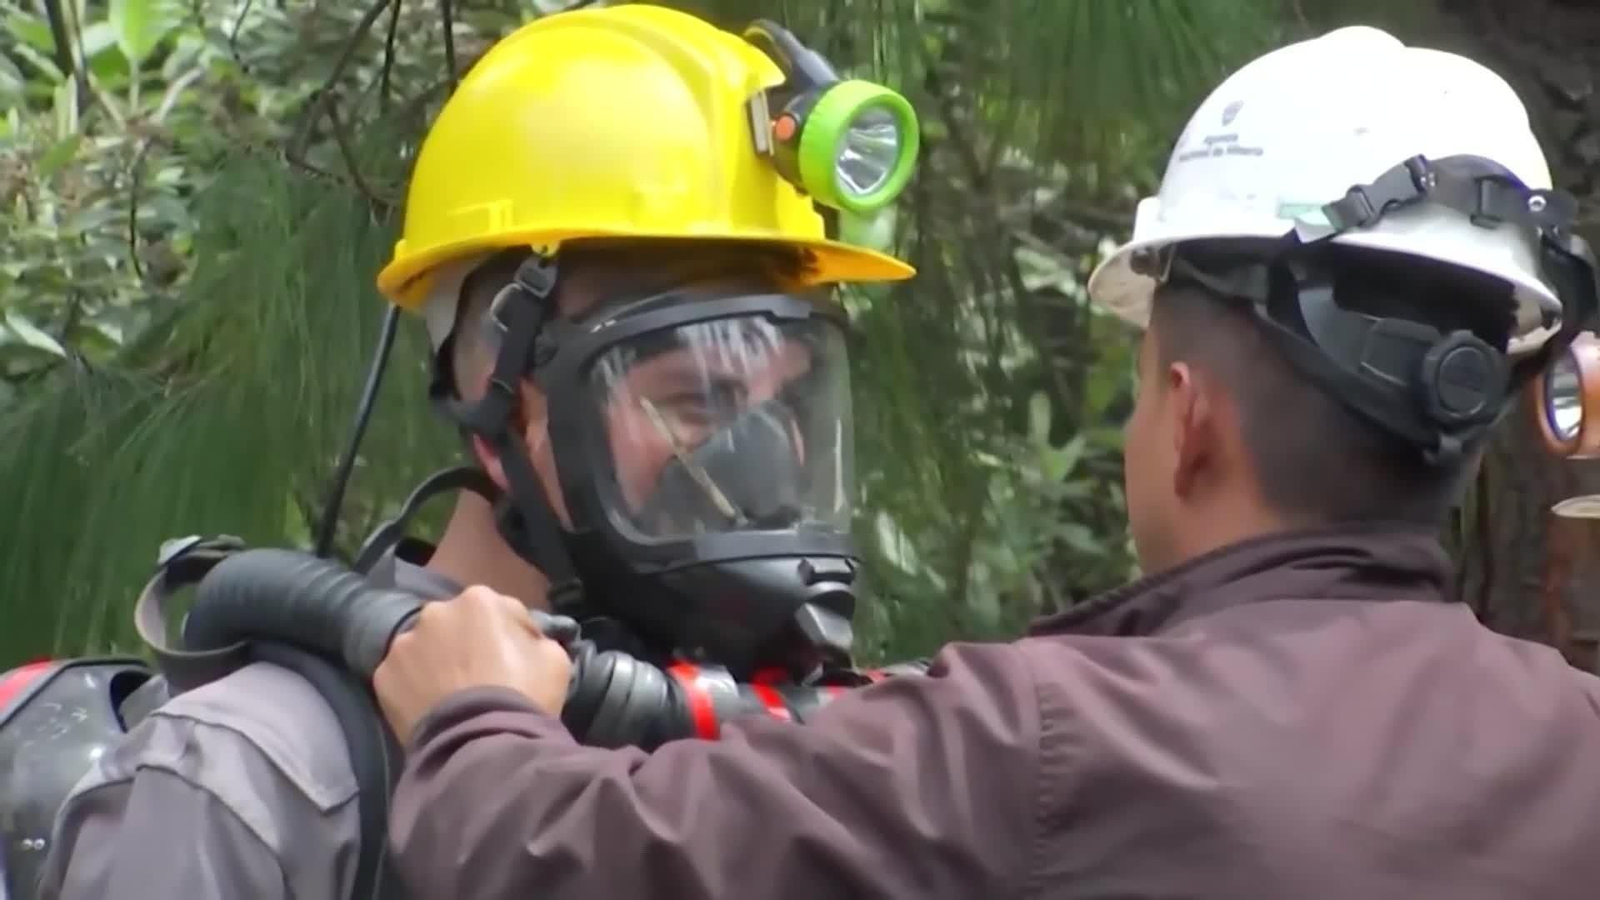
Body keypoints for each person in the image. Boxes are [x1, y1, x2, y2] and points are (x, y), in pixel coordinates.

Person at [371, 24, 1600, 900]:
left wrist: (475, 715)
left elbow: (558, 860)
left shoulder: (1043, 741)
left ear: (1190, 419)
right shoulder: (1576, 737)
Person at [33, 5, 918, 898]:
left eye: (792, 398)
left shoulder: (775, 746)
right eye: (699, 399)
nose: (767, 456)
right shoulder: (257, 789)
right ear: (502, 405)